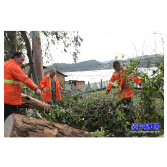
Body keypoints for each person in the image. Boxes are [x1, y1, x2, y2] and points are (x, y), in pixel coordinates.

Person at [4, 52, 42, 122]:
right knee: (11, 117)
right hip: (10, 97)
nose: (22, 62)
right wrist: (36, 88)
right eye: (21, 60)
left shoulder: (5, 64)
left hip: (6, 96)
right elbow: (24, 79)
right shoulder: (14, 66)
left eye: (23, 60)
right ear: (16, 57)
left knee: (7, 115)